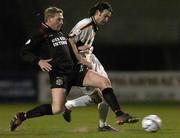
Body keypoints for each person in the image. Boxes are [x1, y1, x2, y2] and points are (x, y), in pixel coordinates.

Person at [10, 6, 138, 132]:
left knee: (104, 82)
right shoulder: (42, 34)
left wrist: (80, 52)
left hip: (75, 70)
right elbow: (24, 52)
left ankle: (119, 114)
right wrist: (39, 61)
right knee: (56, 109)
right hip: (59, 74)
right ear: (49, 19)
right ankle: (22, 116)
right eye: (59, 19)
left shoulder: (59, 32)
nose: (62, 21)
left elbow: (67, 47)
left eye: (62, 19)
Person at [63, 1, 139, 131]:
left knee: (103, 90)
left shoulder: (94, 26)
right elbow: (68, 40)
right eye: (105, 16)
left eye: (109, 17)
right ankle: (113, 117)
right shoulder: (85, 23)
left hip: (90, 59)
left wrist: (83, 49)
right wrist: (80, 56)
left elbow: (78, 44)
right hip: (80, 64)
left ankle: (103, 122)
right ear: (97, 12)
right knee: (99, 95)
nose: (107, 19)